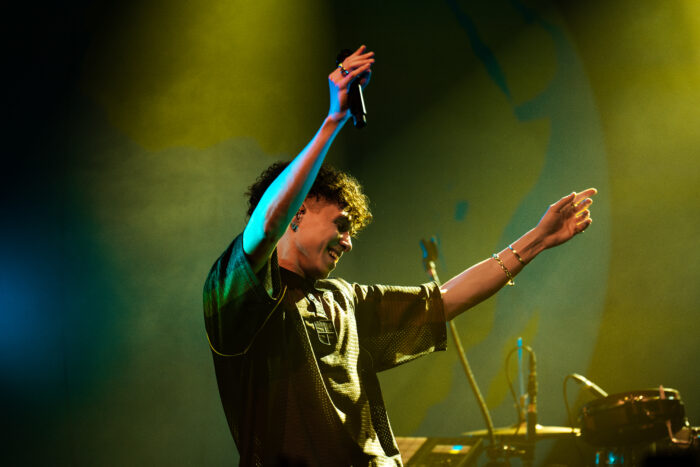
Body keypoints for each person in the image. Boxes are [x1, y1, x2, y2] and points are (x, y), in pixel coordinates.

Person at [203, 45, 596, 466]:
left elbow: (443, 301)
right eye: (341, 225)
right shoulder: (237, 296)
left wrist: (537, 239)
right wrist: (333, 120)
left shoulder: (342, 299)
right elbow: (266, 226)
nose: (348, 242)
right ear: (297, 213)